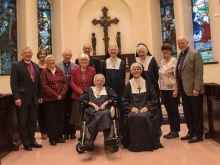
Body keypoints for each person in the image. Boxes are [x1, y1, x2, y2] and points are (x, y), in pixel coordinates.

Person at [121, 62, 163, 152]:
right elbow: (124, 100)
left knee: (145, 116)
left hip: (146, 108)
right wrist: (131, 108)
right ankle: (134, 144)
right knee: (131, 116)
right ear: (131, 72)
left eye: (138, 69)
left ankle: (147, 144)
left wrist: (147, 107)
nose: (136, 71)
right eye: (134, 69)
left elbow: (154, 98)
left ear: (141, 71)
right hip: (133, 109)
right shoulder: (129, 85)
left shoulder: (148, 84)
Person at [10, 46, 43, 151]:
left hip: (34, 98)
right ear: (22, 54)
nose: (28, 54)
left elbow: (38, 84)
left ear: (32, 54)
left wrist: (40, 96)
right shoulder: (17, 66)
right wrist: (16, 97)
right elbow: (14, 83)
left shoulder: (36, 66)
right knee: (23, 121)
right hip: (22, 98)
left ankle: (32, 140)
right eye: (26, 53)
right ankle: (26, 143)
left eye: (29, 52)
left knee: (32, 121)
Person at [176, 36, 204, 143]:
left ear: (187, 42)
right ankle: (191, 131)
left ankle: (198, 134)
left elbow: (198, 72)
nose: (181, 45)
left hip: (193, 89)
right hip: (184, 88)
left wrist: (196, 88)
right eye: (179, 43)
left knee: (196, 112)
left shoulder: (195, 54)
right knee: (188, 112)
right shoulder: (180, 55)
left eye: (182, 43)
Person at [79, 74, 118, 146]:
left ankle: (90, 141)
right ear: (94, 81)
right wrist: (93, 105)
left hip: (104, 109)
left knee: (105, 113)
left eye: (101, 81)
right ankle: (107, 139)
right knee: (105, 114)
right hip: (92, 110)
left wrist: (105, 103)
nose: (99, 82)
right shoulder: (89, 90)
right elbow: (82, 99)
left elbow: (115, 97)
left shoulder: (107, 89)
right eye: (97, 80)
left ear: (104, 82)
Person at [135, 43, 163, 141]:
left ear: (146, 51)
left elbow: (156, 74)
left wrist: (152, 85)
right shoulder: (136, 61)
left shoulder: (152, 60)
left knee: (154, 107)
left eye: (143, 52)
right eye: (139, 52)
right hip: (140, 89)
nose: (141, 54)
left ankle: (156, 127)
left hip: (152, 87)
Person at [40, 55, 68, 146]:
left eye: (53, 60)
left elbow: (65, 84)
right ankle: (53, 138)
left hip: (61, 99)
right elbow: (44, 86)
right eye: (50, 60)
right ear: (47, 62)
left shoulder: (59, 71)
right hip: (49, 100)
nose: (52, 62)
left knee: (60, 118)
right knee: (51, 119)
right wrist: (56, 95)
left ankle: (60, 136)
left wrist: (61, 95)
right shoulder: (44, 72)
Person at [70, 54, 96, 138]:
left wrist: (88, 93)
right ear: (79, 61)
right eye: (82, 60)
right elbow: (72, 83)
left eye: (86, 60)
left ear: (88, 61)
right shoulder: (74, 70)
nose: (84, 61)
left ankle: (89, 134)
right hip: (77, 97)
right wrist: (81, 92)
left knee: (89, 115)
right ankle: (82, 135)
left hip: (89, 97)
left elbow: (95, 82)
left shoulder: (92, 70)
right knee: (79, 117)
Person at [159, 43, 180, 139]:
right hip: (163, 89)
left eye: (167, 49)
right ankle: (172, 129)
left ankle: (176, 130)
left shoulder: (174, 61)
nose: (165, 51)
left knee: (174, 110)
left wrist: (176, 89)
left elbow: (177, 76)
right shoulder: (162, 61)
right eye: (164, 49)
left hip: (172, 89)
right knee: (168, 110)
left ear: (170, 51)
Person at [56, 49, 78, 140]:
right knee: (63, 112)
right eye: (66, 55)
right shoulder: (57, 65)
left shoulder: (76, 66)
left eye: (69, 55)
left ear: (71, 56)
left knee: (72, 112)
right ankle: (64, 132)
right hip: (62, 92)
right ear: (62, 55)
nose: (67, 56)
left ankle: (72, 132)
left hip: (72, 91)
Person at [102, 45, 125, 112]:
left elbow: (123, 75)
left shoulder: (121, 62)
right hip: (108, 86)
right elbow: (103, 75)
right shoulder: (105, 62)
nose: (113, 51)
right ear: (109, 52)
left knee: (119, 102)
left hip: (119, 87)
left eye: (114, 50)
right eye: (111, 50)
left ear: (117, 51)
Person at [37, 48, 47, 140]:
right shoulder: (35, 67)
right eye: (41, 54)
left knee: (48, 113)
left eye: (44, 54)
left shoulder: (49, 66)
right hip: (39, 94)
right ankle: (43, 131)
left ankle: (48, 130)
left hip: (48, 94)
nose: (42, 55)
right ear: (38, 55)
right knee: (40, 113)